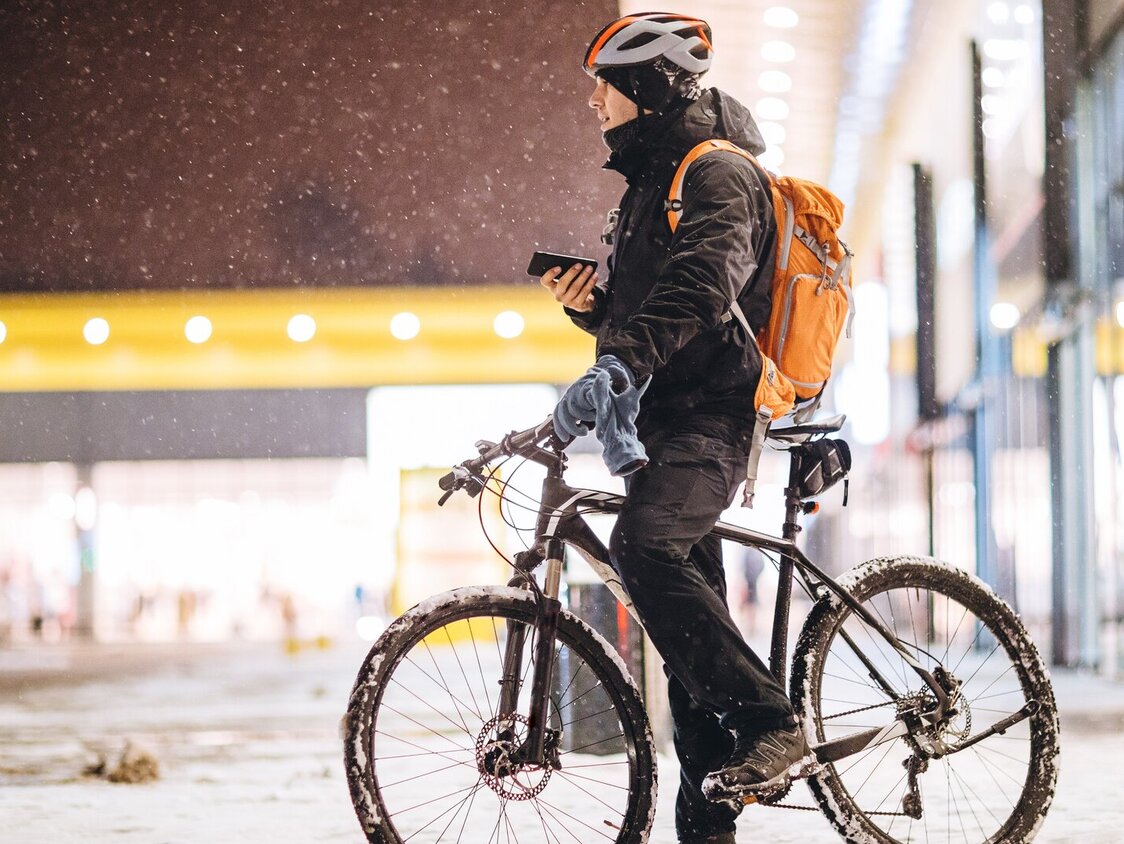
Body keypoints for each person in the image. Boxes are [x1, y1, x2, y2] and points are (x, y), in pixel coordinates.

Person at [540, 13, 811, 844]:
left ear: (649, 87)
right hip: (664, 424)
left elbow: (702, 285)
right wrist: (595, 314)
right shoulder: (648, 185)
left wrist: (620, 360)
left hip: (713, 416)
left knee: (645, 553)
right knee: (687, 654)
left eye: (606, 85)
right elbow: (658, 313)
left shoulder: (718, 172)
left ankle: (773, 724)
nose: (593, 101)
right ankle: (708, 828)